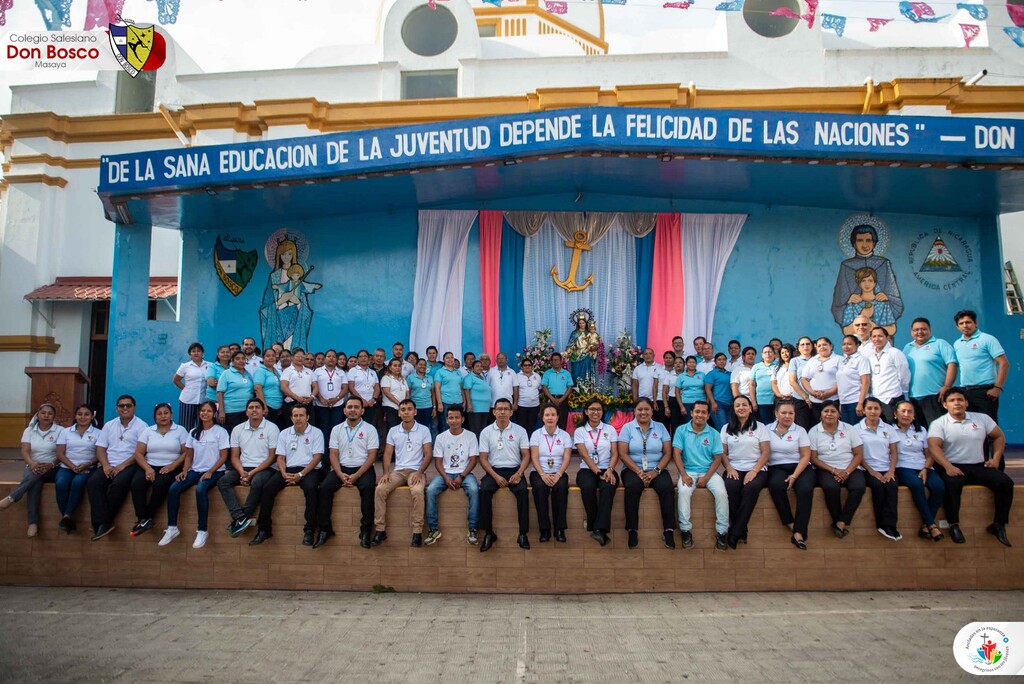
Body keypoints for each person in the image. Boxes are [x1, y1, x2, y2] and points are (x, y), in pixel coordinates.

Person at [927, 388, 1013, 546]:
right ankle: (954, 525)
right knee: (952, 484)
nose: (957, 403)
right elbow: (934, 447)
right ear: (945, 405)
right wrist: (948, 466)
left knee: (1005, 483)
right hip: (953, 466)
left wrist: (995, 459)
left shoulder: (982, 419)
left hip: (978, 465)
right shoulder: (939, 424)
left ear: (966, 403)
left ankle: (999, 524)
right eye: (952, 401)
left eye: (960, 400)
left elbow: (999, 436)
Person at [157, 401, 229, 549]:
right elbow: (189, 455)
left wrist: (210, 471)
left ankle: (202, 530)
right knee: (174, 488)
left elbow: (223, 456)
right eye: (202, 410)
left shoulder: (220, 432)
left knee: (200, 489)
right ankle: (172, 527)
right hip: (195, 470)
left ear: (214, 414)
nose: (205, 413)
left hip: (215, 471)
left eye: (209, 411)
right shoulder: (193, 432)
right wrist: (184, 470)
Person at [253, 404, 325, 546]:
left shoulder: (316, 433)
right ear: (291, 418)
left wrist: (300, 474)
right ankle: (264, 529)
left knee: (311, 489)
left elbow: (317, 457)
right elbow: (280, 457)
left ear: (307, 417)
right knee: (267, 488)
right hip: (288, 470)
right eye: (295, 416)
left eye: (301, 415)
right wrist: (284, 473)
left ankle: (310, 529)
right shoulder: (284, 433)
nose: (298, 419)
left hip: (309, 470)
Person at [317, 396, 379, 549]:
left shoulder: (370, 429)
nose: (353, 410)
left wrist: (356, 476)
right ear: (344, 410)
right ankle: (325, 529)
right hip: (341, 468)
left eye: (356, 407)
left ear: (362, 410)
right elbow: (332, 454)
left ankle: (365, 530)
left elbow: (372, 456)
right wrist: (339, 474)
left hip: (363, 468)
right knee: (324, 488)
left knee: (368, 489)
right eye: (349, 407)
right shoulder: (336, 429)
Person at [85, 395, 148, 540]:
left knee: (119, 484)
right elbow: (101, 449)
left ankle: (103, 523)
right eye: (121, 406)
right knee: (93, 482)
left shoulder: (142, 426)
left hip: (130, 464)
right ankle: (100, 523)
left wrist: (122, 466)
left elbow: (140, 452)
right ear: (117, 408)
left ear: (134, 407)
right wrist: (106, 465)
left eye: (128, 405)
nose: (125, 408)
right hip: (109, 463)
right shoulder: (109, 425)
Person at [218, 398, 281, 540]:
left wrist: (251, 473)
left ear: (263, 411)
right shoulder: (237, 429)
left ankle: (242, 518)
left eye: (257, 407)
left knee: (258, 482)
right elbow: (234, 456)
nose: (254, 410)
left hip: (266, 468)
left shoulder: (272, 428)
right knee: (223, 482)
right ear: (246, 412)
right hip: (243, 467)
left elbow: (272, 457)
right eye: (251, 407)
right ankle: (240, 517)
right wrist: (242, 472)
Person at [952, 310, 1009, 466]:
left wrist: (997, 388)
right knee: (973, 432)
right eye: (961, 323)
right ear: (957, 327)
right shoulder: (957, 344)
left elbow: (1004, 364)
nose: (965, 326)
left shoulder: (987, 339)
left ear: (975, 323)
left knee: (991, 432)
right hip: (966, 393)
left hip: (986, 392)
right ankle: (981, 467)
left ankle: (998, 467)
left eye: (968, 322)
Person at [373, 399, 433, 547]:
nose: (406, 412)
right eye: (403, 410)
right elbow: (387, 454)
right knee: (380, 489)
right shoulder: (393, 431)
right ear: (399, 413)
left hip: (415, 471)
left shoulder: (424, 430)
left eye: (409, 409)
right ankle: (380, 530)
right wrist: (386, 472)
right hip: (398, 472)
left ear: (415, 412)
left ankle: (417, 531)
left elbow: (428, 454)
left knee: (418, 491)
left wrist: (420, 472)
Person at [617, 398, 675, 549]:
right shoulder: (627, 428)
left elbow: (668, 453)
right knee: (633, 487)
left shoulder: (660, 427)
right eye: (639, 409)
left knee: (667, 488)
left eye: (646, 409)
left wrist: (655, 472)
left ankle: (669, 530)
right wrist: (639, 472)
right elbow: (622, 454)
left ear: (652, 411)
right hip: (632, 469)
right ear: (634, 411)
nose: (643, 412)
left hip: (658, 468)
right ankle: (632, 529)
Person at [672, 400, 729, 551]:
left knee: (722, 493)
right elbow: (676, 453)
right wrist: (683, 475)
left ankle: (722, 532)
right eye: (697, 411)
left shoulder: (714, 433)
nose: (700, 415)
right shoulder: (681, 430)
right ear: (691, 413)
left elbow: (717, 458)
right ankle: (685, 530)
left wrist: (706, 478)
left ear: (708, 415)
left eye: (704, 412)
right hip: (688, 471)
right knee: (683, 492)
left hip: (709, 472)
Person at [478, 398, 532, 551]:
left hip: (515, 469)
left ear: (511, 412)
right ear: (494, 412)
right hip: (494, 471)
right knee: (484, 491)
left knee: (523, 491)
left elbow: (526, 455)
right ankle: (488, 533)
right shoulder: (486, 432)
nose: (502, 412)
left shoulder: (520, 431)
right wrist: (495, 477)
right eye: (499, 409)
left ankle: (523, 533)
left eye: (506, 409)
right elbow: (483, 458)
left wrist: (519, 474)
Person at [1, 404, 62, 537]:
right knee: (36, 481)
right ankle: (32, 523)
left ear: (54, 416)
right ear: (38, 415)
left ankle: (12, 498)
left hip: (53, 467)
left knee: (35, 477)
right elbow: (25, 450)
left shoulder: (60, 431)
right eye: (43, 413)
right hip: (33, 466)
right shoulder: (29, 430)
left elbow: (61, 453)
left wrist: (50, 464)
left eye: (50, 413)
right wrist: (32, 463)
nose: (46, 415)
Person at [128, 403, 188, 537]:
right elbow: (138, 453)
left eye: (166, 413)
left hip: (171, 466)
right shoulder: (148, 431)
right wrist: (148, 468)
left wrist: (173, 466)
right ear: (155, 417)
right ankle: (142, 518)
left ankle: (147, 517)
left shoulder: (180, 430)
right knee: (136, 484)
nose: (163, 416)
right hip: (149, 465)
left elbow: (186, 452)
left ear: (171, 414)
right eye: (159, 414)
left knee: (160, 485)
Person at [808, 401, 865, 539]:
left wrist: (846, 471)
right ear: (820, 415)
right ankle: (838, 521)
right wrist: (834, 470)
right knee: (830, 487)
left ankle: (841, 522)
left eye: (833, 411)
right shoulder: (813, 431)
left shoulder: (850, 429)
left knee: (859, 487)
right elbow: (813, 458)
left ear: (839, 414)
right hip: (825, 468)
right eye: (826, 411)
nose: (829, 414)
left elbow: (858, 454)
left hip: (849, 466)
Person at [832, 222, 903, 331]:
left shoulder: (883, 263)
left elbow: (895, 299)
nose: (864, 245)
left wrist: (887, 297)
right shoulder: (847, 266)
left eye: (868, 240)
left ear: (874, 244)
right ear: (854, 244)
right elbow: (839, 300)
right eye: (860, 240)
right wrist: (848, 300)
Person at [719, 396, 770, 549]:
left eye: (744, 405)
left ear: (750, 407)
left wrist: (754, 471)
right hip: (733, 467)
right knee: (731, 488)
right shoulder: (726, 428)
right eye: (737, 405)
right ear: (733, 409)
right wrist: (728, 468)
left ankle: (734, 533)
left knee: (750, 489)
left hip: (757, 468)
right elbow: (722, 453)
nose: (741, 407)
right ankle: (741, 530)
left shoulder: (760, 427)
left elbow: (766, 452)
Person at [425, 405, 480, 546]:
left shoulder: (471, 436)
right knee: (430, 490)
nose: (454, 420)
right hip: (446, 473)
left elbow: (473, 460)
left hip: (465, 473)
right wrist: (445, 477)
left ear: (462, 419)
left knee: (474, 490)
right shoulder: (440, 437)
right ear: (447, 420)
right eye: (451, 418)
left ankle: (473, 528)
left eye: (457, 417)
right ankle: (433, 529)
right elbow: (437, 462)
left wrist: (461, 476)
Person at [891, 400, 945, 541]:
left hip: (923, 465)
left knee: (938, 486)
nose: (906, 414)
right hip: (902, 466)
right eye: (903, 411)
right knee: (916, 485)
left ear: (914, 415)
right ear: (895, 414)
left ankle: (926, 526)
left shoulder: (921, 430)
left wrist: (926, 468)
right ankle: (931, 525)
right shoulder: (889, 430)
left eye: (910, 412)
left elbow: (929, 454)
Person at [765, 400, 814, 550]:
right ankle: (790, 523)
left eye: (791, 413)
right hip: (776, 466)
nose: (787, 416)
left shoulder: (800, 430)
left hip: (800, 466)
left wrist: (794, 476)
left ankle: (799, 532)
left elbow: (806, 455)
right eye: (784, 413)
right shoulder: (766, 429)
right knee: (776, 486)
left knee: (805, 489)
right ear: (776, 413)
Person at [574, 398, 618, 546]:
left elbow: (615, 453)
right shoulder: (580, 431)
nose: (595, 412)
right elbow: (584, 455)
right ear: (586, 412)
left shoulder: (610, 429)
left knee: (609, 486)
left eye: (599, 409)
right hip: (588, 469)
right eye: (592, 409)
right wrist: (598, 472)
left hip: (608, 468)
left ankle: (599, 529)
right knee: (587, 487)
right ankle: (596, 526)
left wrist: (610, 470)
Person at [856, 397, 901, 541]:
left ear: (881, 410)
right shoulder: (856, 429)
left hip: (886, 468)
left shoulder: (889, 428)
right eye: (869, 408)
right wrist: (871, 471)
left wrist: (891, 471)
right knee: (877, 486)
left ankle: (891, 525)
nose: (873, 411)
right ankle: (882, 524)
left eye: (876, 408)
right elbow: (857, 454)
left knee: (892, 486)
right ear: (863, 410)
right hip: (866, 469)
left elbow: (894, 452)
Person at [526, 404, 571, 543]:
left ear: (558, 417)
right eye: (547, 415)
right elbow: (534, 457)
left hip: (559, 471)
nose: (550, 418)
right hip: (539, 472)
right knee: (540, 489)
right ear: (542, 417)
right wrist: (543, 474)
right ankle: (544, 529)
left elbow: (567, 457)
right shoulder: (536, 434)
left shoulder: (565, 435)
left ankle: (560, 529)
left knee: (561, 488)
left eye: (553, 415)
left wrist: (558, 474)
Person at [903, 317, 957, 429]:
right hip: (914, 397)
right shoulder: (908, 348)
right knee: (921, 432)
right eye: (916, 330)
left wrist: (947, 386)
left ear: (930, 330)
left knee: (939, 431)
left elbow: (952, 364)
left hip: (935, 396)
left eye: (923, 329)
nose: (920, 332)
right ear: (911, 332)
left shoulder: (940, 344)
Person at [54, 404, 100, 534]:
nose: (83, 417)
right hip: (67, 467)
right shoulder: (65, 432)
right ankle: (67, 517)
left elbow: (100, 454)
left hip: (88, 467)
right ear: (75, 416)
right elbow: (60, 453)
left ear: (92, 417)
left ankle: (66, 517)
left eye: (86, 414)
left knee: (77, 483)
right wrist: (72, 466)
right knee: (61, 483)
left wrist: (86, 464)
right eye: (80, 414)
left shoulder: (98, 433)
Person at [865, 327, 910, 422]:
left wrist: (900, 391)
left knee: (895, 428)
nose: (877, 339)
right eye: (874, 336)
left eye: (880, 336)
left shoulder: (895, 353)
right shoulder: (871, 357)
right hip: (877, 399)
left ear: (887, 337)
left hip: (893, 397)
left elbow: (904, 374)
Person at [841, 267, 897, 335]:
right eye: (863, 280)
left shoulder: (882, 303)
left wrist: (874, 327)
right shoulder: (853, 303)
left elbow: (892, 329)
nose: (867, 284)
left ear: (875, 282)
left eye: (870, 280)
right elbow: (846, 332)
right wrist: (863, 315)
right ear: (859, 283)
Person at [799, 337, 840, 425]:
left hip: (833, 400)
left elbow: (842, 379)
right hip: (815, 401)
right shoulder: (812, 360)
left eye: (825, 344)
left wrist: (829, 393)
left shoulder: (839, 359)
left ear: (831, 346)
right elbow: (804, 379)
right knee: (817, 427)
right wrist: (812, 392)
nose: (822, 347)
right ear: (816, 348)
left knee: (833, 425)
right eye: (819, 345)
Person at [835, 335, 871, 425]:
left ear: (857, 345)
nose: (846, 346)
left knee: (857, 431)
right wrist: (841, 402)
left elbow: (866, 382)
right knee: (847, 431)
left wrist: (860, 403)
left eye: (849, 344)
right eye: (844, 344)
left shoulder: (861, 360)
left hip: (856, 401)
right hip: (844, 402)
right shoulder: (843, 361)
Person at [173, 342, 209, 431]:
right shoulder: (185, 366)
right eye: (193, 351)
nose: (196, 353)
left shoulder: (210, 365)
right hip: (187, 400)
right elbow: (176, 380)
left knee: (202, 426)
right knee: (186, 426)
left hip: (203, 400)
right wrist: (185, 389)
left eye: (198, 351)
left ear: (202, 353)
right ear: (190, 354)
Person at [312, 349, 348, 439]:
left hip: (337, 405)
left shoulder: (341, 372)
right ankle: (324, 451)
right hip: (321, 405)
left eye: (333, 356)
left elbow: (345, 388)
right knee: (323, 429)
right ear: (324, 359)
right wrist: (321, 399)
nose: (331, 358)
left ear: (336, 360)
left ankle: (334, 450)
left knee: (336, 429)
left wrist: (337, 398)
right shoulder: (317, 371)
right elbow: (314, 387)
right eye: (329, 356)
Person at [217, 351, 255, 433]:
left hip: (246, 412)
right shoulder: (226, 373)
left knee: (245, 435)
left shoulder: (248, 374)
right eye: (237, 359)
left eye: (243, 359)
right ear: (232, 361)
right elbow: (220, 393)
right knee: (233, 435)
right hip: (231, 412)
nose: (241, 361)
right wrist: (221, 411)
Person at [348, 349, 382, 429]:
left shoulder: (373, 372)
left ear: (369, 358)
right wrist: (361, 400)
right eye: (361, 356)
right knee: (356, 425)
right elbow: (351, 387)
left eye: (365, 356)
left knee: (368, 426)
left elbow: (377, 387)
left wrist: (373, 399)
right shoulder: (353, 371)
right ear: (358, 359)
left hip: (371, 403)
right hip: (357, 403)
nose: (363, 358)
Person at [253, 348, 286, 430]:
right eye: (268, 356)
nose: (271, 358)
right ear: (263, 358)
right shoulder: (260, 371)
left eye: (273, 356)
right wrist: (264, 406)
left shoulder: (277, 371)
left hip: (278, 408)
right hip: (267, 406)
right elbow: (257, 389)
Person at [787, 337, 815, 429]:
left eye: (808, 344)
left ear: (812, 346)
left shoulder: (817, 360)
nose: (805, 346)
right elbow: (792, 381)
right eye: (802, 344)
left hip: (817, 399)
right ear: (798, 348)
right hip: (800, 399)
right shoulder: (794, 361)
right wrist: (805, 397)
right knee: (802, 427)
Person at [541, 352, 574, 431]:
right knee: (550, 420)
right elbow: (544, 387)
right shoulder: (547, 373)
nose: (555, 362)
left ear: (561, 361)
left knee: (562, 421)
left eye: (557, 360)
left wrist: (561, 399)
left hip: (562, 400)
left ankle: (561, 440)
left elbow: (570, 387)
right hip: (550, 399)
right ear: (551, 362)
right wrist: (552, 399)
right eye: (554, 360)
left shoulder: (566, 373)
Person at [433, 351, 464, 432]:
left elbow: (461, 387)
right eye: (447, 358)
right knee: (446, 425)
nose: (450, 359)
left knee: (458, 424)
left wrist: (464, 401)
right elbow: (437, 387)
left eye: (451, 357)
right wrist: (439, 403)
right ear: (443, 360)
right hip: (446, 402)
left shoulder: (458, 372)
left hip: (458, 402)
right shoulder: (440, 371)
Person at [462, 359, 492, 437]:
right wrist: (469, 404)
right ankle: (475, 447)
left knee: (483, 430)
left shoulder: (482, 378)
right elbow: (466, 390)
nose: (479, 368)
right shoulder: (469, 377)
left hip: (485, 408)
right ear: (472, 368)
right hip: (475, 407)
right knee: (475, 429)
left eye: (481, 366)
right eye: (477, 366)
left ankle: (482, 447)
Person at [703, 353, 733, 430]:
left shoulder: (729, 374)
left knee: (730, 429)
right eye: (719, 360)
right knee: (722, 429)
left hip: (729, 405)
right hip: (718, 404)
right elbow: (708, 389)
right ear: (715, 362)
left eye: (723, 359)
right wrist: (713, 403)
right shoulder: (711, 374)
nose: (722, 361)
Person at [749, 345, 778, 424]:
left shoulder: (778, 365)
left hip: (777, 400)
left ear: (774, 354)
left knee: (777, 424)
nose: (767, 354)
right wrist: (753, 402)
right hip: (761, 401)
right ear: (762, 355)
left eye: (770, 352)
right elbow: (751, 385)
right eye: (765, 352)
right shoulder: (756, 367)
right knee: (765, 424)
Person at [407, 358, 437, 433]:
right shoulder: (410, 377)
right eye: (420, 364)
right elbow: (408, 393)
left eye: (424, 365)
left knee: (426, 427)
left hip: (428, 406)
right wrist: (408, 407)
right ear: (416, 366)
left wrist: (434, 407)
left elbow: (433, 393)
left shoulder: (430, 377)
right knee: (414, 427)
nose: (422, 366)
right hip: (415, 406)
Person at [380, 357, 409, 434]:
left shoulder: (403, 379)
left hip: (402, 408)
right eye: (395, 365)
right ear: (390, 367)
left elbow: (407, 392)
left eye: (399, 366)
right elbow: (387, 393)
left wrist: (405, 404)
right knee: (392, 430)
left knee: (402, 429)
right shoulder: (386, 378)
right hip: (390, 408)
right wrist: (399, 403)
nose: (397, 368)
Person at [675, 355, 706, 427]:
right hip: (687, 403)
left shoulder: (702, 374)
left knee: (701, 424)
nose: (692, 364)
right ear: (686, 364)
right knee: (690, 425)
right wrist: (681, 406)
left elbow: (706, 389)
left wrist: (706, 403)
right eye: (690, 362)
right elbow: (677, 392)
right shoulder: (681, 376)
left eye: (694, 362)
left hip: (701, 403)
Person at [512, 358, 542, 433]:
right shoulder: (517, 376)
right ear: (521, 367)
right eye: (525, 365)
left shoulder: (537, 376)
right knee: (521, 428)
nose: (527, 367)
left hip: (534, 406)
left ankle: (531, 443)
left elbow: (540, 389)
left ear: (532, 367)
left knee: (532, 427)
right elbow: (515, 390)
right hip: (521, 406)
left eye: (529, 365)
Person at [566, 311, 598, 381]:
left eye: (583, 323)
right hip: (576, 356)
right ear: (577, 324)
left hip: (587, 356)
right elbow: (570, 345)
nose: (581, 324)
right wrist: (567, 353)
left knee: (587, 373)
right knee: (576, 374)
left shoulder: (590, 333)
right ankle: (576, 389)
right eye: (580, 323)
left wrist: (593, 347)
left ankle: (588, 389)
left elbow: (595, 343)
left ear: (586, 323)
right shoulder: (574, 333)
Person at [661, 356, 685, 434]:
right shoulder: (669, 376)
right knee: (675, 425)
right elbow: (664, 392)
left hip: (685, 400)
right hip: (673, 402)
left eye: (680, 362)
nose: (678, 364)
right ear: (673, 365)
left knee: (685, 424)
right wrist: (666, 407)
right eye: (676, 363)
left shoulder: (687, 375)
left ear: (684, 365)